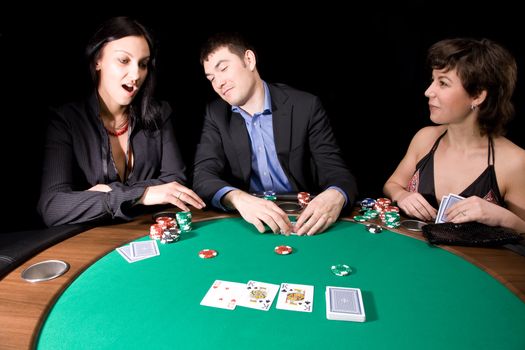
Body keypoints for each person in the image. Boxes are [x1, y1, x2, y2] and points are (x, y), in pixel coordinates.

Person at [37, 16, 205, 227]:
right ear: (98, 60)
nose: (136, 74)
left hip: (147, 232)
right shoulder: (65, 120)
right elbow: (52, 207)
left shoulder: (160, 113)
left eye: (143, 64)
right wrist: (142, 195)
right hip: (93, 242)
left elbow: (175, 184)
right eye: (124, 60)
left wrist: (106, 193)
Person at [193, 32, 358, 236]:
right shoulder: (216, 113)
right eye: (211, 78)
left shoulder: (305, 106)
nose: (218, 83)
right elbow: (203, 175)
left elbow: (337, 172)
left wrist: (335, 195)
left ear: (249, 60)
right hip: (251, 222)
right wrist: (238, 198)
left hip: (303, 221)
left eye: (224, 68)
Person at [384, 38, 525, 233]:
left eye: (443, 83)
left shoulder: (515, 161)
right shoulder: (425, 138)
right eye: (432, 80)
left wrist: (503, 217)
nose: (428, 92)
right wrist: (401, 195)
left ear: (477, 96)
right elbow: (392, 184)